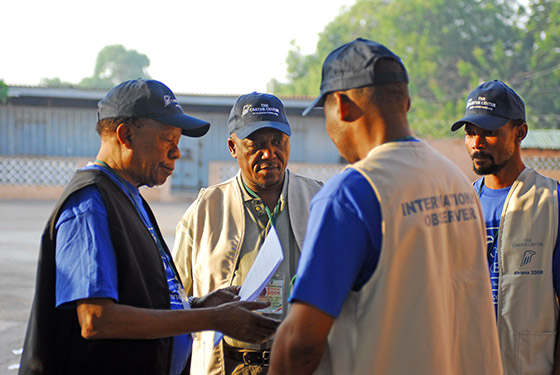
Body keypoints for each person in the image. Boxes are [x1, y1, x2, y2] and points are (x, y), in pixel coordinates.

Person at [269, 38, 502, 375]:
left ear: (343, 106)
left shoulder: (353, 194)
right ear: (405, 102)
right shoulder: (457, 182)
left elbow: (300, 344)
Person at [19, 79, 279, 375]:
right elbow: (96, 319)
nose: (177, 153)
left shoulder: (129, 196)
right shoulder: (90, 205)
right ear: (125, 135)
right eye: (168, 141)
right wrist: (213, 319)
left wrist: (195, 306)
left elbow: (137, 297)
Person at [172, 92, 323, 375]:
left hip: (301, 365)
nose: (269, 153)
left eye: (278, 142)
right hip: (227, 365)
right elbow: (175, 297)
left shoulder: (319, 200)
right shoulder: (205, 209)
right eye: (256, 144)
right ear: (233, 147)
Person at [451, 79, 560, 374]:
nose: (477, 142)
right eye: (470, 133)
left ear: (520, 132)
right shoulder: (460, 204)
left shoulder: (550, 202)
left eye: (490, 133)